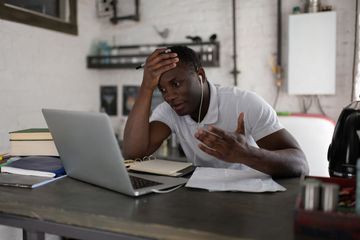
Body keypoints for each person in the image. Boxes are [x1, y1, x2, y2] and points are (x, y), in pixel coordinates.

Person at [123, 45, 309, 178]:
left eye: (176, 84)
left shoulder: (244, 103)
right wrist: (146, 87)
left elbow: (300, 164)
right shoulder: (169, 111)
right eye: (162, 89)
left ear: (201, 76)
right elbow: (133, 153)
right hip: (202, 200)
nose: (169, 96)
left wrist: (246, 153)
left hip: (250, 200)